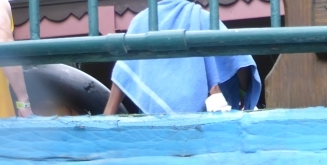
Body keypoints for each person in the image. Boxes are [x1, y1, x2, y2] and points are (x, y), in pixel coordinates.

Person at [103, 0, 259, 115]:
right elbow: (238, 59)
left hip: (150, 122)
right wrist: (243, 93)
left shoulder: (140, 21)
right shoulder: (200, 17)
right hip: (193, 122)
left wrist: (108, 113)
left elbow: (122, 74)